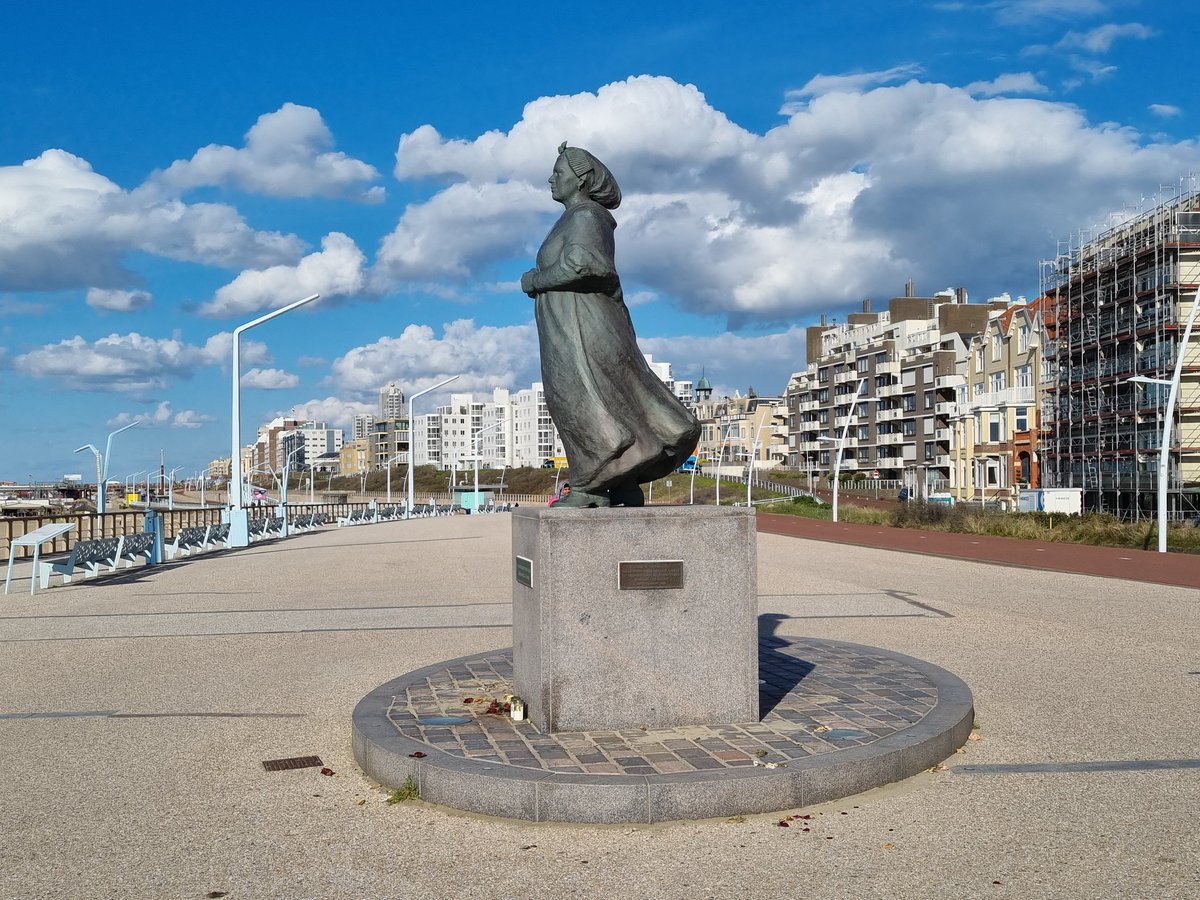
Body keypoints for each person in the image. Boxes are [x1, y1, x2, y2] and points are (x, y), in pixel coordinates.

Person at [521, 143, 700, 508]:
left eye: (559, 173)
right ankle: (623, 484)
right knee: (596, 394)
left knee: (581, 396)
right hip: (570, 327)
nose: (552, 179)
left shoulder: (587, 217)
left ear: (581, 178)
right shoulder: (574, 218)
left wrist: (535, 281)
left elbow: (587, 264)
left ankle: (590, 486)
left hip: (583, 329)